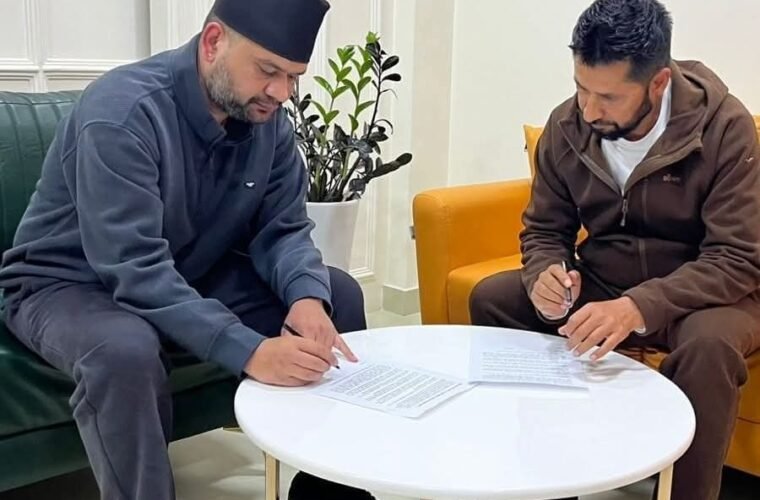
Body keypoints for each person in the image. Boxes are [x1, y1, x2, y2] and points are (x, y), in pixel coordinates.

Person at [0, 0, 375, 498]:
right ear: (213, 42)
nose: (281, 93)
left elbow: (282, 229)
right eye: (268, 71)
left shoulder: (268, 122)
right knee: (124, 351)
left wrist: (307, 296)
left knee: (337, 294)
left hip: (186, 269)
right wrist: (250, 351)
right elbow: (134, 268)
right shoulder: (121, 112)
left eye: (293, 77)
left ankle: (329, 491)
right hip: (68, 283)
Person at [468, 1, 760, 499]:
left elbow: (736, 258)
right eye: (581, 88)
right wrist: (546, 275)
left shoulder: (724, 128)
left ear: (658, 83)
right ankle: (544, 476)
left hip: (705, 296)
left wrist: (638, 307)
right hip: (607, 282)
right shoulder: (567, 126)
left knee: (708, 349)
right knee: (493, 299)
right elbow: (544, 230)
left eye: (608, 96)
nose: (588, 110)